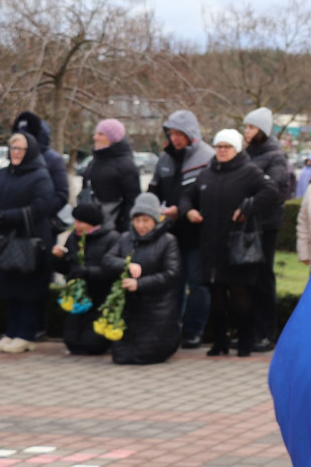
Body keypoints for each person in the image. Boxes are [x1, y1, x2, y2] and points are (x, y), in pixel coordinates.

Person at [183, 128, 278, 357]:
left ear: (236, 149)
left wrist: (247, 207)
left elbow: (271, 190)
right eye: (218, 147)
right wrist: (188, 211)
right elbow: (187, 195)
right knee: (216, 294)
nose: (222, 151)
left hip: (236, 244)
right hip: (210, 244)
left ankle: (245, 341)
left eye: (227, 147)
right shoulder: (207, 173)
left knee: (240, 294)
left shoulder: (249, 171)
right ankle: (220, 341)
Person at [0, 132, 57, 353]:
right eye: (12, 148)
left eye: (20, 149)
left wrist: (8, 216)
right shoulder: (3, 174)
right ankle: (11, 332)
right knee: (9, 289)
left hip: (29, 242)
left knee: (28, 290)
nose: (15, 153)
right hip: (5, 241)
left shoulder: (40, 175)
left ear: (29, 151)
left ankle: (26, 334)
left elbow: (42, 206)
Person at [148, 110, 214, 349]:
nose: (174, 138)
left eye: (179, 133)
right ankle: (171, 326)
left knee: (197, 283)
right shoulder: (164, 159)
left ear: (191, 134)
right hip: (169, 234)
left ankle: (194, 330)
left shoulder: (207, 157)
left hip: (197, 233)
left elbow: (211, 195)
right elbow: (153, 190)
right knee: (173, 282)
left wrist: (185, 210)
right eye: (171, 133)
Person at [103, 193, 182, 365]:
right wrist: (126, 265)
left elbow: (171, 274)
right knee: (121, 356)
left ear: (156, 220)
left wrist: (139, 284)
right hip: (130, 310)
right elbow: (107, 260)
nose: (140, 225)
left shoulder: (168, 241)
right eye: (137, 220)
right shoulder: (125, 238)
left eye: (146, 221)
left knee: (145, 355)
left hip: (157, 310)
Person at [242, 107, 290, 352]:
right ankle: (248, 333)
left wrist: (248, 206)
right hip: (249, 226)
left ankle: (266, 333)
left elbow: (276, 190)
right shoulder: (248, 153)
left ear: (262, 129)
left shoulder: (274, 156)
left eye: (251, 127)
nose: (247, 131)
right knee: (247, 280)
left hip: (266, 225)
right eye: (246, 127)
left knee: (263, 279)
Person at [51, 203, 120, 355]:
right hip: (78, 296)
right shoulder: (73, 238)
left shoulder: (112, 238)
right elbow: (66, 268)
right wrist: (58, 259)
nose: (77, 225)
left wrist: (87, 272)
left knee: (93, 346)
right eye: (75, 221)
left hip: (100, 297)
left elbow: (112, 270)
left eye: (80, 222)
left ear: (92, 223)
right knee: (72, 343)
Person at [81, 118, 141, 231]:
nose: (95, 137)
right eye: (96, 133)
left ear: (112, 138)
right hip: (90, 227)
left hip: (113, 231)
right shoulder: (94, 162)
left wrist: (123, 231)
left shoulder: (126, 165)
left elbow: (132, 201)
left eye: (100, 134)